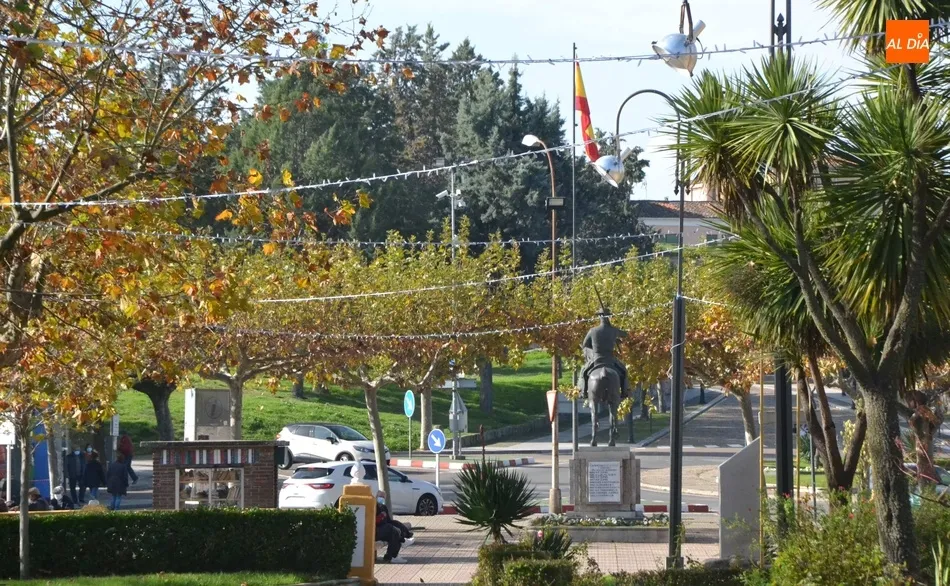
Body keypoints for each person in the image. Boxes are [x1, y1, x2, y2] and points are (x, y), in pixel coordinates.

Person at [580, 307, 630, 397]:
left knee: (583, 371)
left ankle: (583, 391)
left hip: (596, 359)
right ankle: (624, 391)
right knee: (624, 372)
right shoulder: (613, 330)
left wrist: (592, 351)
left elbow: (585, 345)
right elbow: (625, 334)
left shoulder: (593, 331)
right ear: (608, 317)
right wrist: (615, 337)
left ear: (599, 317)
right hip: (610, 359)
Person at [374, 492, 406, 564]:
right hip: (376, 530)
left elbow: (388, 520)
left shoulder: (383, 507)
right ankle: (393, 556)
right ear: (376, 497)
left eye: (383, 497)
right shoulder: (374, 506)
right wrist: (382, 516)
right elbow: (375, 520)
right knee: (393, 531)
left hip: (382, 529)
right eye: (380, 497)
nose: (381, 499)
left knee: (395, 527)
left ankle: (391, 556)